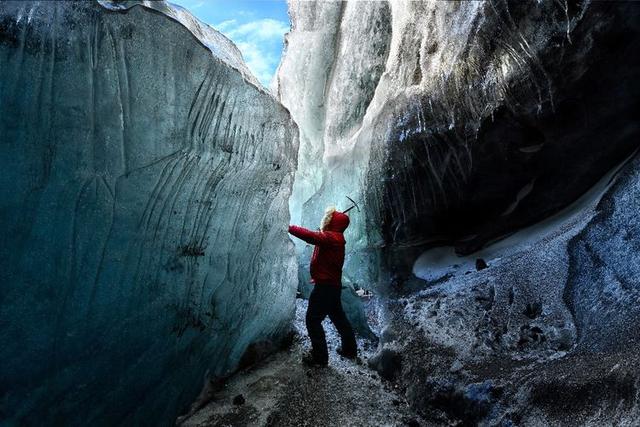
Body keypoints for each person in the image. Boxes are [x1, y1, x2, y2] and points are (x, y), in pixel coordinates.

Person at [288, 205, 358, 367]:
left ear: (332, 222)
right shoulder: (335, 238)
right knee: (339, 318)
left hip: (325, 287)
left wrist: (289, 227)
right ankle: (350, 349)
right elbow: (318, 239)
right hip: (331, 286)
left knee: (312, 320)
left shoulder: (332, 238)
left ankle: (319, 358)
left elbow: (310, 237)